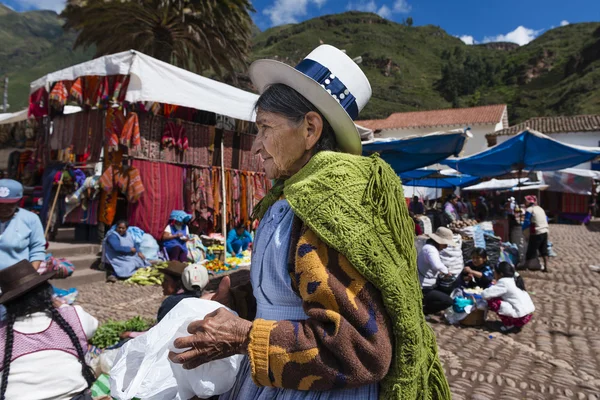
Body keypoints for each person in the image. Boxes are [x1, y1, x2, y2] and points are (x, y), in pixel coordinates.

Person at [168, 45, 450, 399]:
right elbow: (299, 290)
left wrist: (243, 336)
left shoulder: (330, 206)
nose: (256, 146)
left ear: (310, 129)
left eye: (265, 128)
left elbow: (363, 349)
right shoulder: (293, 197)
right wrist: (242, 296)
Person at [0, 260, 98, 399]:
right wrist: (61, 306)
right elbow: (93, 325)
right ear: (47, 292)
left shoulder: (2, 333)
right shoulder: (73, 316)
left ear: (8, 304)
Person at [0, 179, 46, 271]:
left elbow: (37, 249)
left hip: (17, 279)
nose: (4, 208)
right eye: (0, 204)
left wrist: (29, 277)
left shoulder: (30, 219)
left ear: (18, 202)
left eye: (9, 205)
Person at [482, 262, 534, 333]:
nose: (494, 274)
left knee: (492, 300)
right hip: (527, 314)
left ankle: (508, 326)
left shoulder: (504, 282)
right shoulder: (513, 278)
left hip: (520, 317)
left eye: (495, 272)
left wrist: (491, 286)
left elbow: (485, 294)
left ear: (501, 274)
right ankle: (514, 324)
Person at [417, 227, 456, 315]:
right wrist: (446, 271)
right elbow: (436, 265)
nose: (446, 246)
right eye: (445, 243)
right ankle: (424, 311)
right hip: (424, 287)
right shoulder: (430, 249)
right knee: (448, 301)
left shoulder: (430, 247)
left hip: (429, 284)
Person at [522, 195, 549, 272]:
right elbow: (546, 218)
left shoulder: (530, 210)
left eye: (525, 201)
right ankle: (546, 266)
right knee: (544, 250)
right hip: (544, 230)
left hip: (536, 232)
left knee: (531, 250)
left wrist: (523, 230)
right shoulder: (540, 209)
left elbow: (527, 222)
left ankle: (525, 266)